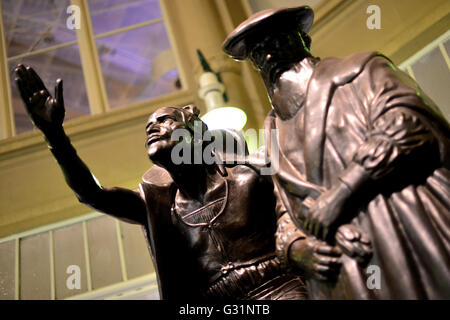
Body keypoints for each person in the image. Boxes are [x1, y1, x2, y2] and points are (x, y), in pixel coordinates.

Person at [14, 63, 342, 300]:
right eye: (148, 128)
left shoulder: (249, 172)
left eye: (164, 121)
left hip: (278, 288)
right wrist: (54, 135)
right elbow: (92, 193)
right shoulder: (158, 206)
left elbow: (305, 196)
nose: (152, 129)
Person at [223, 6, 450, 299]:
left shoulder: (360, 72)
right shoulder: (271, 134)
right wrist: (296, 248)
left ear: (302, 41)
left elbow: (407, 123)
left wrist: (343, 191)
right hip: (342, 273)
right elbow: (285, 210)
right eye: (257, 53)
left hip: (401, 230)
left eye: (276, 42)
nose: (268, 57)